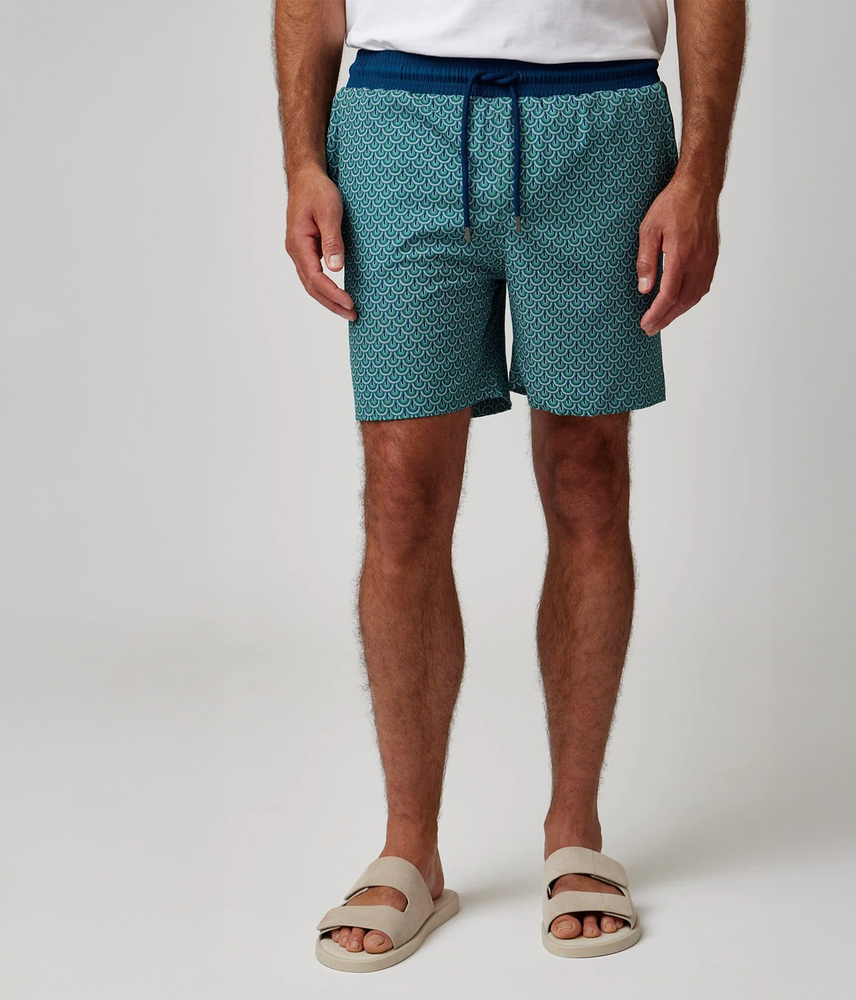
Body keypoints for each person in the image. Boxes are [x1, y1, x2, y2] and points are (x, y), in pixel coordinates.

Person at [274, 0, 745, 972]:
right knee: (401, 494)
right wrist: (301, 163)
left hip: (602, 122)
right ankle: (410, 846)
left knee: (587, 477)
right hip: (397, 124)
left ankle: (575, 832)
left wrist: (700, 176)